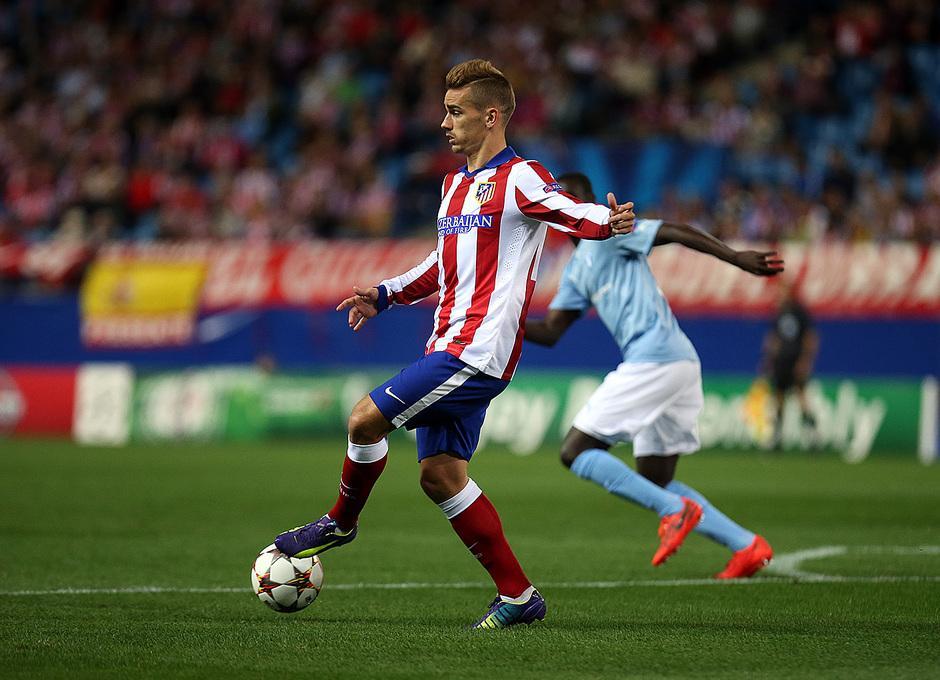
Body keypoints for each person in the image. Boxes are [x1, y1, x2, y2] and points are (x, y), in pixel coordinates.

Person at [273, 62, 636, 629]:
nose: (444, 122)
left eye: (455, 111)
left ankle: (340, 521)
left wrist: (607, 219)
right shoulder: (454, 186)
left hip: (476, 352)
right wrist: (384, 294)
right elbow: (442, 265)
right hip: (446, 345)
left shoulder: (520, 177)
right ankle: (518, 596)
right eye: (444, 111)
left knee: (363, 420)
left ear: (491, 117)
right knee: (440, 475)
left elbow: (569, 211)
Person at [525, 172, 782, 579]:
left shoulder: (612, 234)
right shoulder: (576, 270)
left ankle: (674, 511)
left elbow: (675, 231)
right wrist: (503, 321)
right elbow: (551, 331)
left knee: (574, 451)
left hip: (656, 360)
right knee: (655, 479)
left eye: (575, 199)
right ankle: (747, 546)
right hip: (676, 364)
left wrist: (734, 257)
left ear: (589, 200)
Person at [762, 281, 819, 449]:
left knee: (801, 397)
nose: (780, 294)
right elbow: (775, 338)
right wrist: (769, 359)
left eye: (783, 291)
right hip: (781, 361)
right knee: (779, 398)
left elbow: (810, 338)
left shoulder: (799, 312)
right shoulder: (780, 312)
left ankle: (812, 436)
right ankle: (776, 438)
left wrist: (805, 360)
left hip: (795, 359)